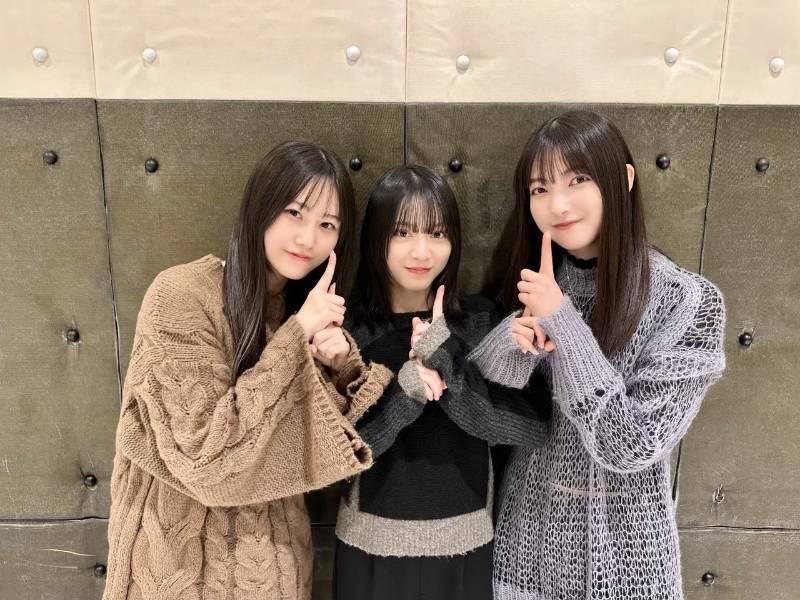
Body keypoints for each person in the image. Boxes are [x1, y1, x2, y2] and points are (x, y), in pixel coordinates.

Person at [102, 140, 391, 600]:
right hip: (174, 575)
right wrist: (297, 336)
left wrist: (338, 367)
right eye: (294, 213)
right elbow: (204, 459)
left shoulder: (301, 317)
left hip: (276, 573)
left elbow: (319, 450)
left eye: (327, 224)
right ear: (261, 206)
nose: (308, 239)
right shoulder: (182, 295)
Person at [470, 111, 727, 600]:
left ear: (623, 180)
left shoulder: (688, 302)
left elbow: (631, 446)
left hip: (629, 562)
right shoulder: (530, 282)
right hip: (525, 545)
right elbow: (483, 404)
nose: (557, 203)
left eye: (578, 179)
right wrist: (514, 338)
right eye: (540, 188)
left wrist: (563, 323)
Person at [333, 165, 549, 600]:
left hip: (465, 547)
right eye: (402, 232)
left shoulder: (481, 321)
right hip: (368, 546)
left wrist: (447, 361)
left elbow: (532, 428)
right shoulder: (348, 331)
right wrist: (407, 393)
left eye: (436, 233)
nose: (421, 251)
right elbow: (335, 455)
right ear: (376, 239)